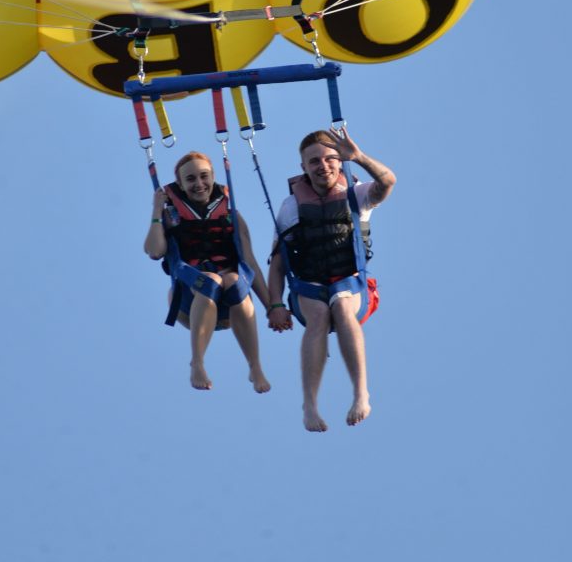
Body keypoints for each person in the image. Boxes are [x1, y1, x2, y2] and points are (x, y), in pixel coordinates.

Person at [267, 129, 395, 432]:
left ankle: (361, 393)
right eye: (314, 161)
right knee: (319, 315)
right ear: (303, 168)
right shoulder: (291, 206)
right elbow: (278, 263)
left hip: (352, 283)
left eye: (330, 159)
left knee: (340, 306)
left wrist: (360, 157)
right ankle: (309, 406)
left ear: (340, 161)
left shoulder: (358, 194)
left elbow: (388, 181)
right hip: (308, 287)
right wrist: (274, 305)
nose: (322, 166)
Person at [145, 150, 271, 394]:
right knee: (210, 279)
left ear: (213, 177)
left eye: (204, 176)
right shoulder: (169, 216)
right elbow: (154, 251)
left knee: (234, 278)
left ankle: (255, 366)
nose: (199, 184)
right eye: (190, 179)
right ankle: (197, 363)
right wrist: (156, 211)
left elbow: (251, 263)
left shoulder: (232, 217)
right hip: (188, 301)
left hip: (230, 305)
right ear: (180, 185)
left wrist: (272, 308)